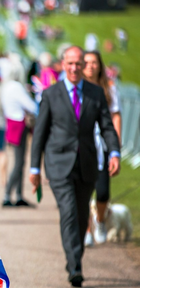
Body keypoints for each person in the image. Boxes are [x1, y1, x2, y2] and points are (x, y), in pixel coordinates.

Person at [28, 46, 121, 288]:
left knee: (81, 215)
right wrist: (35, 168)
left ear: (83, 66)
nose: (74, 68)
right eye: (69, 63)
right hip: (58, 164)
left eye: (78, 64)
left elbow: (107, 126)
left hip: (87, 163)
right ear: (63, 64)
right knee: (69, 211)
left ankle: (74, 258)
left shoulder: (95, 93)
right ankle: (75, 266)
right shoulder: (51, 94)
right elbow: (39, 134)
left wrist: (114, 152)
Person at [82, 50, 123, 246]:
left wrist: (116, 142)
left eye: (94, 62)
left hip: (103, 142)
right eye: (87, 62)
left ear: (100, 65)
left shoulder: (109, 88)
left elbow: (115, 115)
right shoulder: (77, 88)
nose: (90, 66)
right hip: (83, 143)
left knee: (103, 191)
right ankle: (87, 228)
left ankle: (99, 220)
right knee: (83, 190)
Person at [1, 57, 39, 208]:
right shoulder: (16, 87)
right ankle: (8, 193)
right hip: (19, 124)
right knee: (19, 163)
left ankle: (17, 194)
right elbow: (31, 106)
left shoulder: (6, 86)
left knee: (19, 162)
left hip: (11, 123)